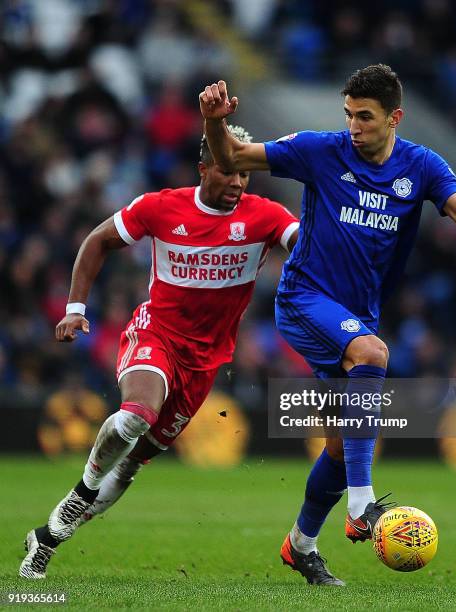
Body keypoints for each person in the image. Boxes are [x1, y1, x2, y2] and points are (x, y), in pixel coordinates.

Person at [199, 65, 456, 586]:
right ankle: (363, 507)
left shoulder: (423, 166)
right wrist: (213, 123)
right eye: (349, 115)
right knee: (373, 355)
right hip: (303, 299)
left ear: (395, 118)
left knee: (341, 449)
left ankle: (301, 545)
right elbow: (231, 156)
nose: (354, 126)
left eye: (365, 117)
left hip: (355, 312)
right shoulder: (320, 150)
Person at [19, 125, 299, 579]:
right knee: (136, 415)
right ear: (204, 168)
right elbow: (98, 241)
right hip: (156, 335)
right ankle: (79, 497)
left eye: (245, 173)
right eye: (228, 171)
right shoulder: (162, 207)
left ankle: (48, 536)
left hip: (205, 362)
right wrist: (75, 308)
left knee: (131, 466)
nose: (237, 183)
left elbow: (302, 244)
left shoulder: (265, 216)